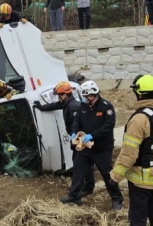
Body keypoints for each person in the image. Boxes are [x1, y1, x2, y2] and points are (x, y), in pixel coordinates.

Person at [110, 74, 153, 226]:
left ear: (139, 94)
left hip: (141, 181)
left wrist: (115, 177)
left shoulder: (139, 119)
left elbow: (129, 153)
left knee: (137, 219)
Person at [61, 80, 123, 209]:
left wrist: (92, 135)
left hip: (102, 148)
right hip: (85, 146)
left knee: (106, 174)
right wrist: (74, 132)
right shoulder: (83, 107)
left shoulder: (106, 107)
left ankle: (116, 198)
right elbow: (77, 121)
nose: (83, 99)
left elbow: (108, 126)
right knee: (78, 169)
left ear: (91, 96)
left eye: (85, 96)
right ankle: (74, 196)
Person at [33, 82, 82, 167]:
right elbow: (53, 106)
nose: (58, 98)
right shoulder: (67, 104)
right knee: (79, 163)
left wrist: (74, 138)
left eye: (59, 95)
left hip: (80, 140)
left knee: (80, 163)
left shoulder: (73, 107)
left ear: (65, 95)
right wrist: (41, 107)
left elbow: (77, 125)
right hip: (77, 140)